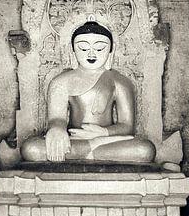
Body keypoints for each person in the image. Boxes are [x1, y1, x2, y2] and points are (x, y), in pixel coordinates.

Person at [20, 21, 156, 163]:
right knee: (31, 149)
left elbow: (127, 126)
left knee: (144, 150)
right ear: (72, 51)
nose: (91, 53)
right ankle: (93, 151)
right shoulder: (61, 81)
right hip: (74, 140)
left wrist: (104, 133)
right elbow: (56, 119)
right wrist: (57, 129)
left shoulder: (120, 81)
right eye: (84, 48)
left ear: (111, 51)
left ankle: (87, 150)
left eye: (99, 48)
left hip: (108, 140)